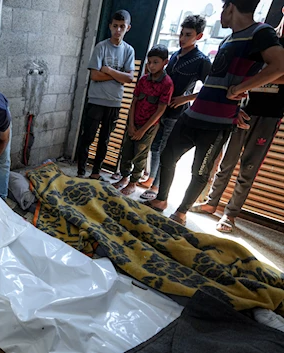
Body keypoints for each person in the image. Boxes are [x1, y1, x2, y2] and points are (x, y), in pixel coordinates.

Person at [144, 0, 284, 226]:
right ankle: (161, 200)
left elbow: (279, 67)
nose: (221, 15)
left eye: (222, 8)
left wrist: (240, 90)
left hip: (217, 123)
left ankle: (180, 212)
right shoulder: (229, 38)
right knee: (168, 155)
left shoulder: (261, 32)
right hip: (194, 113)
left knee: (199, 170)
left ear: (230, 7)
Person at [190, 20, 284, 233]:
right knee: (227, 160)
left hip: (269, 116)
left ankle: (230, 214)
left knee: (249, 167)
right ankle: (211, 203)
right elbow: (243, 72)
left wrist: (267, 75)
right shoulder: (263, 36)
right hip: (244, 108)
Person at [139, 15, 213, 199]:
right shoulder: (174, 56)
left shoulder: (201, 60)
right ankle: (152, 179)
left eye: (188, 34)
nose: (182, 38)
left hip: (177, 111)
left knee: (165, 150)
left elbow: (210, 88)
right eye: (181, 34)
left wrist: (185, 98)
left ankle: (156, 188)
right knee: (155, 146)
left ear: (199, 36)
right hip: (162, 108)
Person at [77, 10, 135, 180]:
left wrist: (108, 70)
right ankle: (81, 171)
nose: (118, 30)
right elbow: (94, 75)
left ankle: (96, 172)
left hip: (114, 103)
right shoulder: (101, 47)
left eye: (122, 27)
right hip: (96, 101)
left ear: (128, 28)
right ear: (110, 26)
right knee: (88, 137)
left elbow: (130, 78)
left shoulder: (129, 51)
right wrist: (120, 75)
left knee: (104, 141)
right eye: (115, 26)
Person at [115, 45, 174, 195]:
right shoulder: (143, 80)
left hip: (149, 127)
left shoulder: (167, 83)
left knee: (140, 154)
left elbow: (160, 110)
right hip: (134, 122)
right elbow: (134, 102)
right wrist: (131, 125)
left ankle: (133, 182)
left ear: (165, 62)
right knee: (127, 150)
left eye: (155, 62)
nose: (151, 66)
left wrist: (142, 130)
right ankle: (124, 178)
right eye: (149, 62)